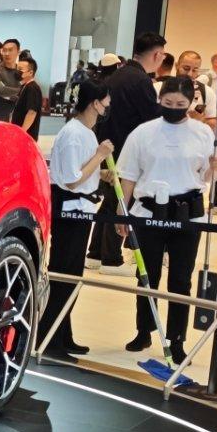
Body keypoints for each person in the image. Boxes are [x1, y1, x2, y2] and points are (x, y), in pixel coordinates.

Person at [116, 77, 217, 364]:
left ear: (191, 103)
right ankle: (144, 330)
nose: (173, 108)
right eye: (168, 103)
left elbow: (207, 177)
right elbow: (128, 176)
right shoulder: (143, 132)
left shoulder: (202, 133)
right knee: (146, 276)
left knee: (181, 280)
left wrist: (215, 167)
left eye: (180, 104)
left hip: (188, 214)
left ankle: (177, 339)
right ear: (159, 100)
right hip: (149, 213)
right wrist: (122, 212)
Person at [42, 80, 114, 360]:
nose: (107, 106)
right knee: (65, 273)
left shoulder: (86, 132)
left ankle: (63, 334)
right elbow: (72, 180)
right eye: (105, 101)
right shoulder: (74, 133)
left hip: (82, 208)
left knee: (73, 273)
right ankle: (51, 339)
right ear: (95, 102)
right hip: (70, 209)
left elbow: (81, 171)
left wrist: (101, 172)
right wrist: (100, 156)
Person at [92, 31, 167, 270]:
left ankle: (95, 253)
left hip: (109, 145)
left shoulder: (118, 74)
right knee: (120, 200)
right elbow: (152, 117)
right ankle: (110, 258)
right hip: (125, 149)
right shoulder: (140, 80)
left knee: (110, 200)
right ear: (156, 55)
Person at [0, 39, 23, 122]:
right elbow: (3, 90)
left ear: (18, 52)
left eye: (10, 50)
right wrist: (23, 92)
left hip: (16, 118)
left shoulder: (22, 71)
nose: (7, 53)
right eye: (4, 50)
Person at [13, 55, 44, 139]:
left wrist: (22, 132)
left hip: (26, 135)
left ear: (30, 72)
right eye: (16, 68)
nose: (17, 71)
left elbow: (32, 112)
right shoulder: (24, 86)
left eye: (20, 69)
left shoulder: (32, 88)